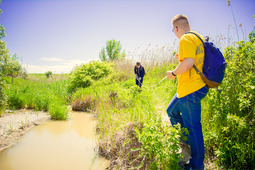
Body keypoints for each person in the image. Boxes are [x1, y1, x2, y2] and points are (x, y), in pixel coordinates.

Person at [166, 14, 208, 170]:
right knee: (171, 111)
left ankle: (196, 166)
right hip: (191, 88)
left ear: (176, 28)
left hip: (191, 89)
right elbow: (195, 59)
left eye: (173, 30)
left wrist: (173, 73)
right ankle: (190, 141)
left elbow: (190, 63)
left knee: (194, 127)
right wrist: (181, 60)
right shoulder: (198, 37)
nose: (174, 33)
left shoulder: (184, 39)